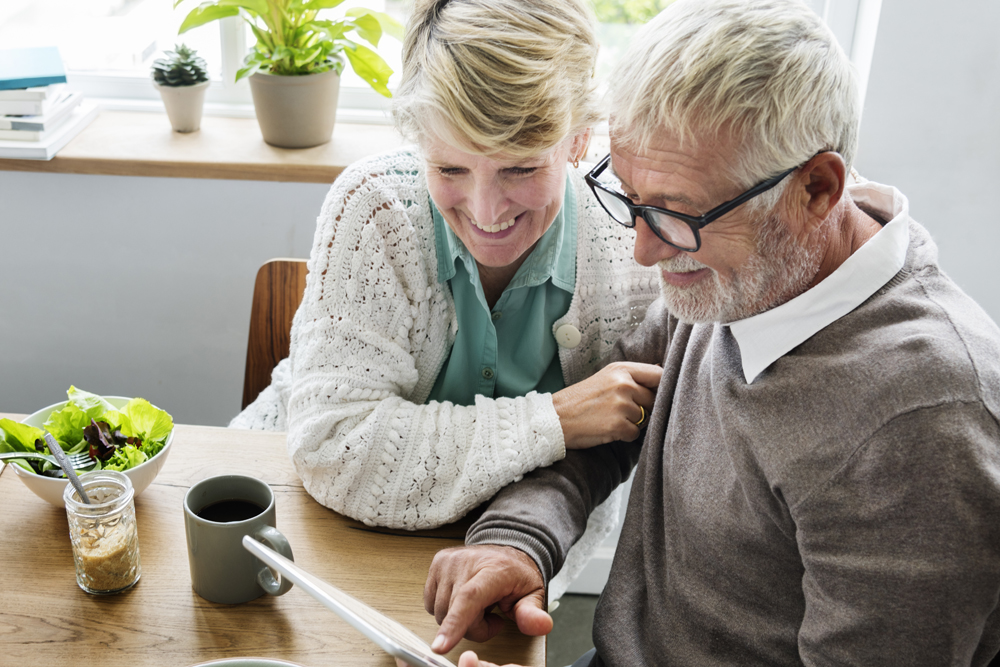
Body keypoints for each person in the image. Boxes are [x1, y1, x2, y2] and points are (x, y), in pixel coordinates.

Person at [415, 0, 1000, 665]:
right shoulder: (744, 272)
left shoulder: (923, 427)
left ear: (816, 188)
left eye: (673, 215)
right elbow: (606, 430)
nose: (643, 250)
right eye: (630, 198)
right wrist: (515, 541)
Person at [230, 0, 662, 600]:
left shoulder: (635, 241)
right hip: (299, 520)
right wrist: (556, 420)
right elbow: (335, 448)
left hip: (508, 552)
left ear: (579, 139)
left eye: (520, 168)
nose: (486, 214)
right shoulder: (376, 205)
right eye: (451, 168)